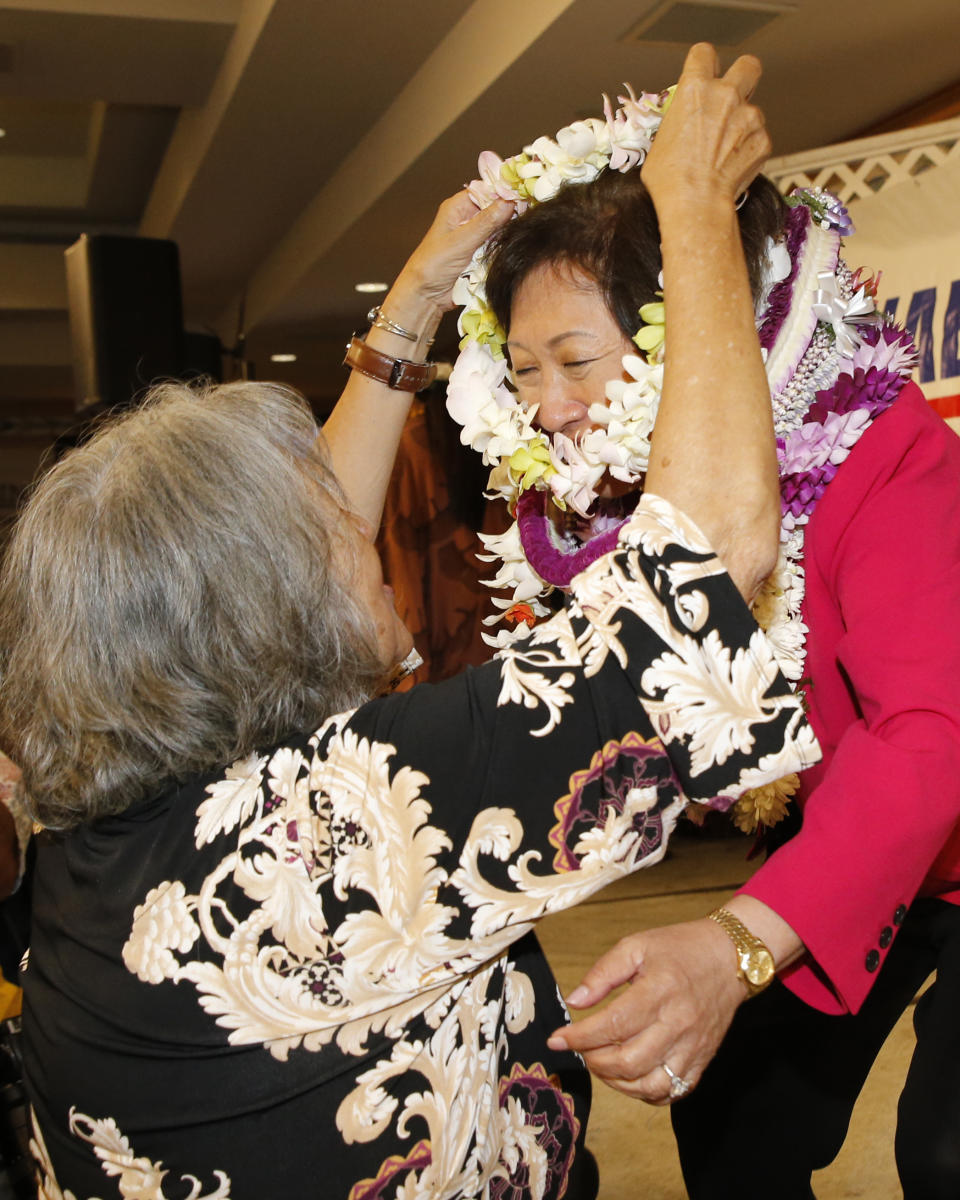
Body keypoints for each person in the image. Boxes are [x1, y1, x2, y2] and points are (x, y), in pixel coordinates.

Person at [0, 48, 816, 1200]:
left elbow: (265, 563)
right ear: (257, 611)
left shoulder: (113, 834)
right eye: (315, 519)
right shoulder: (334, 833)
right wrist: (692, 213)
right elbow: (711, 561)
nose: (357, 520)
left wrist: (419, 295)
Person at [445, 41, 960, 1200]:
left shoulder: (888, 453)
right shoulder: (609, 512)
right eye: (524, 370)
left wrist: (737, 945)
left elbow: (929, 736)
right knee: (736, 1127)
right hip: (851, 843)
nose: (552, 409)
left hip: (945, 817)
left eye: (578, 359)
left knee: (946, 1149)